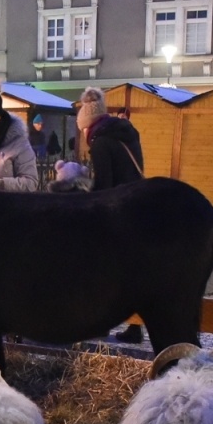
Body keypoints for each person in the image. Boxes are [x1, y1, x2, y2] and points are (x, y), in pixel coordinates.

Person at [77, 85, 145, 341]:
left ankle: (101, 324)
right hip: (135, 208)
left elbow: (104, 186)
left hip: (117, 216)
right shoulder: (125, 133)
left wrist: (82, 190)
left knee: (105, 271)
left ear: (88, 124)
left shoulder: (101, 142)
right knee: (132, 271)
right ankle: (135, 326)